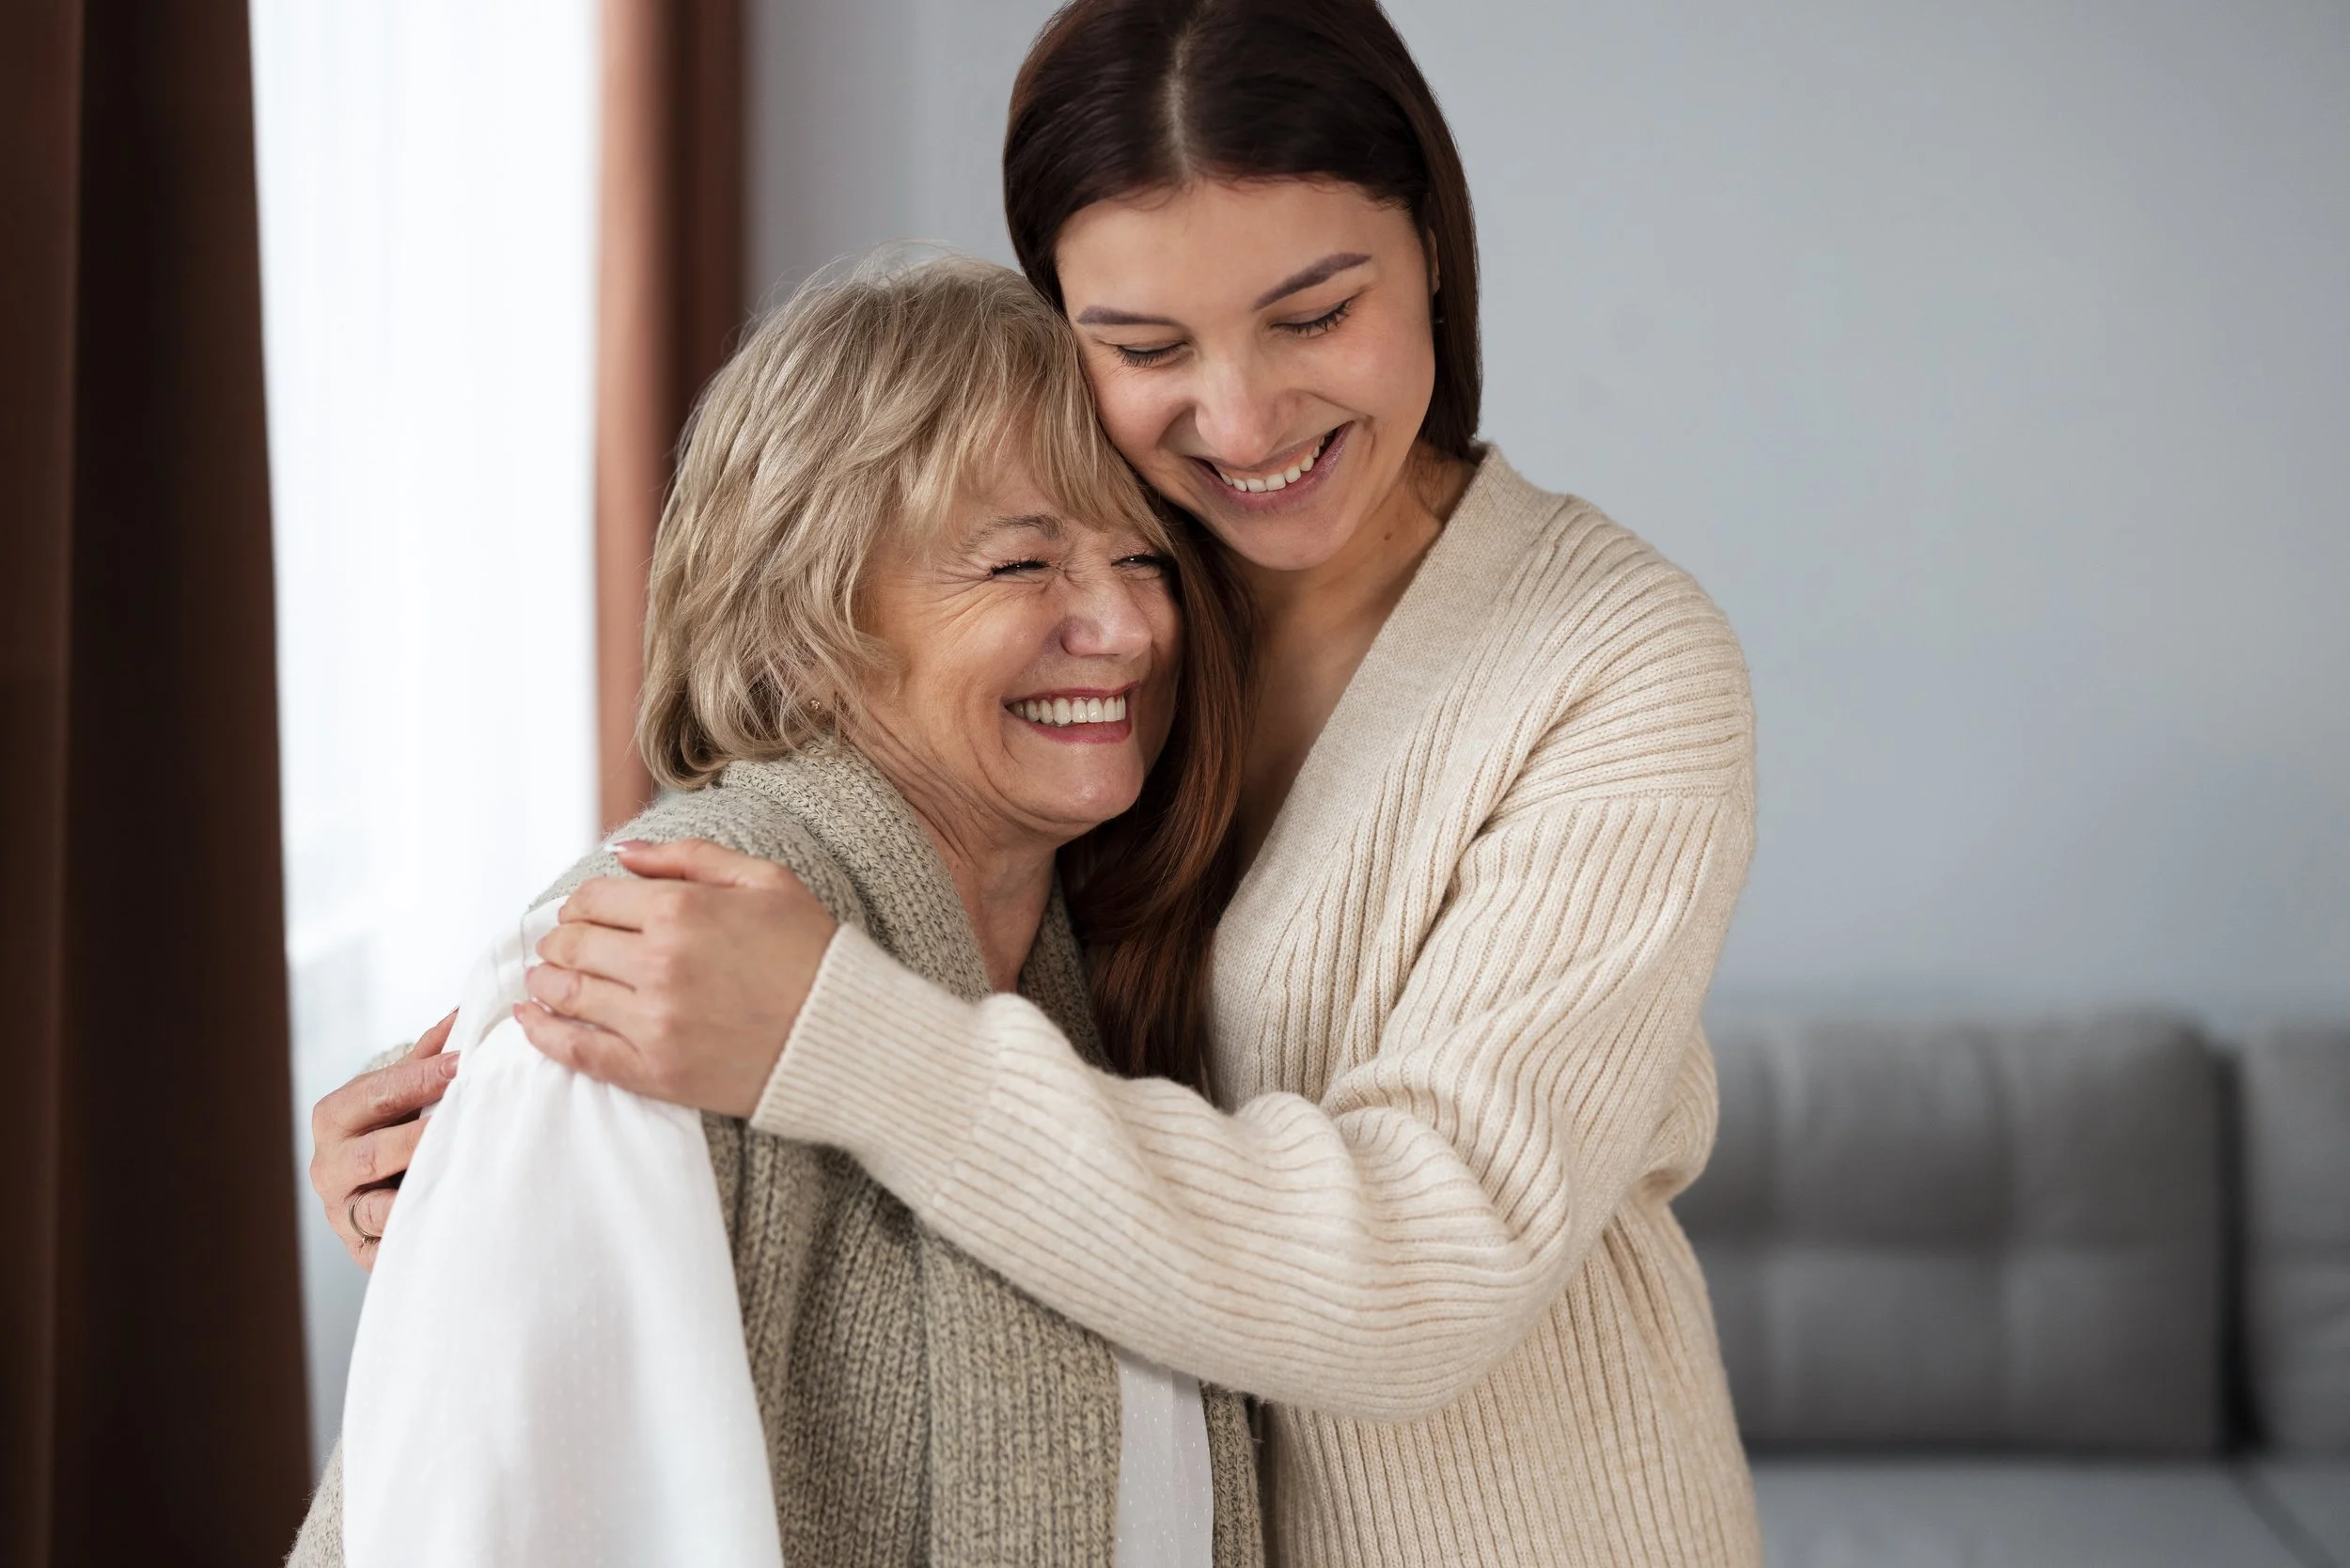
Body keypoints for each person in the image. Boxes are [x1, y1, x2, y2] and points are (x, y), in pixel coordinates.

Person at [316, 1, 1763, 1562]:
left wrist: (840, 1038)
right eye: (1148, 347)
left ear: (1431, 250)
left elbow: (1431, 1256)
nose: (1243, 419)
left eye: (1314, 313)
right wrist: (485, 1122)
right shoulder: (1117, 620)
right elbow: (835, 814)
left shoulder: (1618, 664)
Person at [294, 254, 1262, 1567]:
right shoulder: (632, 990)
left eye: (1142, 557)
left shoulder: (1092, 971)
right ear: (802, 626)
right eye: (1022, 562)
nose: (1126, 626)